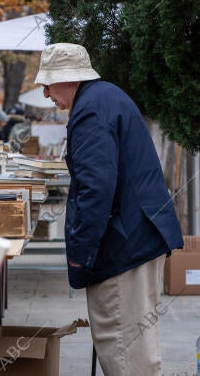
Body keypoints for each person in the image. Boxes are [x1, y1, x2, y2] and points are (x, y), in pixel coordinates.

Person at [35, 43, 183, 375]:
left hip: (124, 244)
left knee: (124, 348)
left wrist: (81, 254)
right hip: (136, 235)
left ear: (69, 78)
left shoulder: (90, 110)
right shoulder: (103, 97)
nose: (45, 93)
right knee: (134, 345)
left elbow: (95, 191)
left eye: (48, 83)